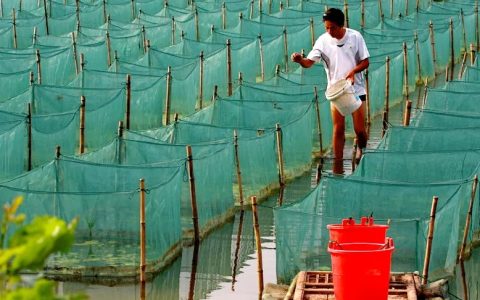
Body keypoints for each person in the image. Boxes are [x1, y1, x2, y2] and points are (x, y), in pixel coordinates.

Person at [290, 7, 369, 175]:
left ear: (341, 25)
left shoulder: (355, 37)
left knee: (359, 130)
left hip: (356, 89)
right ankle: (338, 164)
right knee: (338, 128)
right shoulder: (323, 41)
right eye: (326, 27)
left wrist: (353, 72)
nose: (329, 31)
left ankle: (363, 148)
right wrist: (300, 60)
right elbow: (309, 63)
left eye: (332, 27)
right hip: (336, 91)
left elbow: (365, 62)